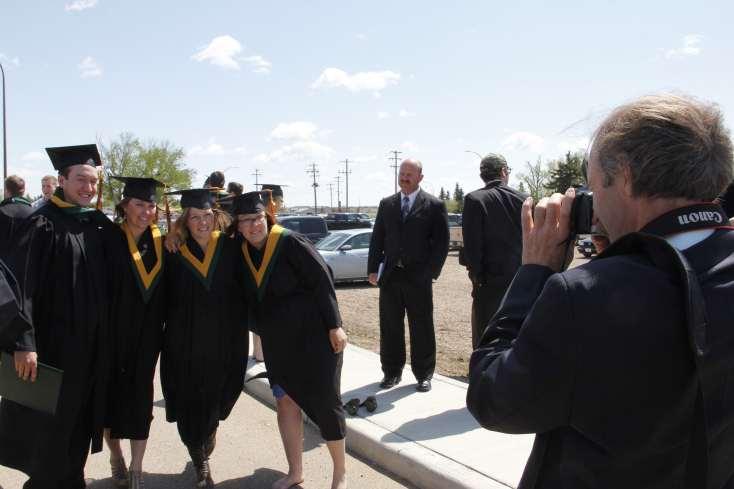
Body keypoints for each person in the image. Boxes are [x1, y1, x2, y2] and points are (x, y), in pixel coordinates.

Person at [467, 94, 734, 488]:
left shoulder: (583, 296)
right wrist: (626, 253)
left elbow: (494, 400)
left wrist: (534, 271)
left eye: (592, 188)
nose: (594, 209)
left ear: (623, 176)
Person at [0, 144, 114, 489]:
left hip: (90, 352)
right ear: (61, 180)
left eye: (93, 182)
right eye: (81, 179)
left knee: (79, 423)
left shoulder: (96, 225)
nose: (88, 188)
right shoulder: (41, 223)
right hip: (52, 350)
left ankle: (73, 480)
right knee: (49, 430)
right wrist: (23, 342)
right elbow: (19, 284)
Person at [234, 191, 348, 489]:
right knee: (285, 402)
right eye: (245, 220)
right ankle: (295, 472)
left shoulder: (291, 242)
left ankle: (340, 473)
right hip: (279, 342)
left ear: (267, 216)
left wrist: (334, 325)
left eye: (257, 218)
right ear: (238, 225)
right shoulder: (242, 250)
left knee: (326, 403)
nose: (252, 225)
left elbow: (322, 280)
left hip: (316, 338)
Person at [161, 188, 248, 488]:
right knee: (188, 400)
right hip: (184, 341)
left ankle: (206, 437)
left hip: (224, 339)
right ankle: (200, 461)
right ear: (185, 220)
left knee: (216, 398)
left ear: (215, 215)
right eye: (195, 217)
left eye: (207, 216)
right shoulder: (173, 250)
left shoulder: (231, 247)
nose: (202, 222)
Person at [104, 176, 167, 489]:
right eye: (139, 204)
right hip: (111, 334)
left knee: (141, 399)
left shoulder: (164, 243)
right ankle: (116, 456)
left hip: (147, 335)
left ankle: (137, 467)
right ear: (125, 206)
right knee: (109, 399)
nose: (146, 211)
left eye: (150, 205)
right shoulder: (108, 239)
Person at [367, 159, 449, 392]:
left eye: (409, 174)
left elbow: (441, 243)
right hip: (391, 276)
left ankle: (424, 374)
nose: (404, 178)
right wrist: (373, 269)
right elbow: (377, 239)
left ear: (420, 177)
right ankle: (391, 372)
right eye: (402, 173)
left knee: (421, 326)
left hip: (418, 277)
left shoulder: (434, 205)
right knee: (390, 326)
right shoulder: (387, 204)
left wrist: (431, 272)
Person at [460, 154, 527, 348]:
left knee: (485, 338)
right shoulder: (523, 199)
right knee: (515, 337)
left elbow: (472, 247)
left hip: (487, 285)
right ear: (504, 171)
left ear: (482, 175)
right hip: (519, 281)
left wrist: (476, 277)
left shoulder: (474, 199)